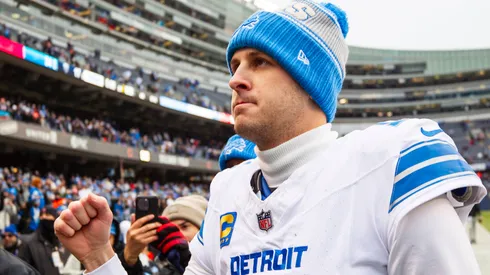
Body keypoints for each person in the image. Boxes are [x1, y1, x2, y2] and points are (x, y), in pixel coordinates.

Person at [184, 1, 487, 274]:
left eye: (260, 61)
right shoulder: (227, 189)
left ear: (309, 79)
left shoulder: (389, 165)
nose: (234, 79)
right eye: (235, 65)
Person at [19, 206, 82, 275]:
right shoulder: (29, 243)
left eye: (48, 215)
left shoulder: (63, 242)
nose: (44, 217)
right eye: (41, 215)